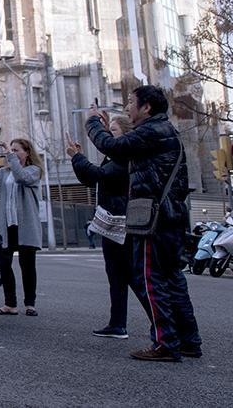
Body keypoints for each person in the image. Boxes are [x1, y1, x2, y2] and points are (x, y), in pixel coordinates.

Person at [86, 85, 201, 362]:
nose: (127, 107)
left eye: (130, 102)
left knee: (152, 280)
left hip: (154, 220)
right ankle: (188, 340)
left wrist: (92, 122)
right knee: (173, 279)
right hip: (169, 217)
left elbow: (112, 146)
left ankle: (165, 343)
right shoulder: (164, 131)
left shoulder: (152, 131)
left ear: (146, 107)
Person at [68, 115, 132, 340]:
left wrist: (77, 157)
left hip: (121, 222)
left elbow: (100, 175)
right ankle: (117, 323)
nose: (107, 137)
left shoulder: (124, 157)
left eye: (112, 131)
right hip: (112, 222)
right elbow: (90, 179)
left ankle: (161, 325)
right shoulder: (115, 156)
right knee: (116, 275)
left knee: (130, 276)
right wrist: (77, 158)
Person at [0, 139, 43, 316]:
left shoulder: (34, 171)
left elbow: (22, 177)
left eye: (16, 150)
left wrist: (11, 157)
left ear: (27, 153)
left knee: (27, 265)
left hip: (25, 226)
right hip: (6, 226)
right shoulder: (2, 173)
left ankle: (30, 304)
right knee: (4, 264)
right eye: (10, 150)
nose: (11, 153)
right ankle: (10, 304)